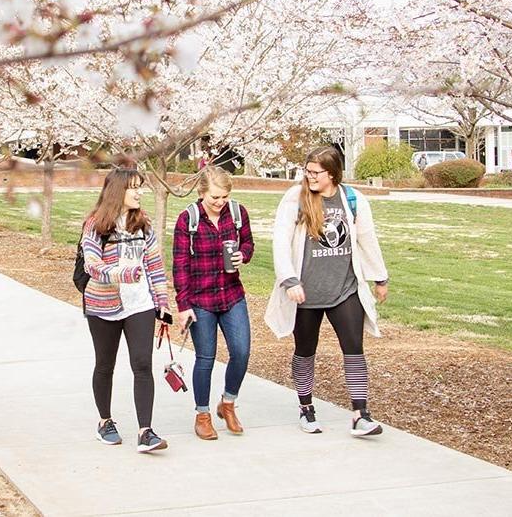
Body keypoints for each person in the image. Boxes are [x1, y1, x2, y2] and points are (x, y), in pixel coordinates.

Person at [265, 146, 389, 436]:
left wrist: (380, 277)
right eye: (307, 171)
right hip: (306, 293)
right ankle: (306, 408)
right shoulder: (295, 198)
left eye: (316, 172)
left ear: (332, 174)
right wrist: (289, 280)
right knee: (305, 351)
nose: (310, 177)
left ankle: (361, 414)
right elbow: (280, 240)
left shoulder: (352, 199)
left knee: (354, 350)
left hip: (344, 289)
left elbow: (367, 238)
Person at [81, 167, 169, 453]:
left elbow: (154, 266)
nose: (139, 192)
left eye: (140, 186)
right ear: (118, 191)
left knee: (142, 364)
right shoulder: (95, 225)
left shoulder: (143, 224)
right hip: (103, 306)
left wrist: (163, 302)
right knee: (105, 365)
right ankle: (105, 421)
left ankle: (146, 431)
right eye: (134, 188)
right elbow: (91, 265)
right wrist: (120, 273)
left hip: (139, 304)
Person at [173, 166, 254, 440]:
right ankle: (203, 414)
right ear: (202, 193)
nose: (220, 203)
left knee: (241, 352)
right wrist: (183, 305)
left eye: (224, 197)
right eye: (214, 198)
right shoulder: (188, 220)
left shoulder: (237, 213)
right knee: (205, 358)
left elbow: (249, 244)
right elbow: (180, 265)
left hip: (232, 295)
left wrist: (243, 255)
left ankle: (228, 403)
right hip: (201, 300)